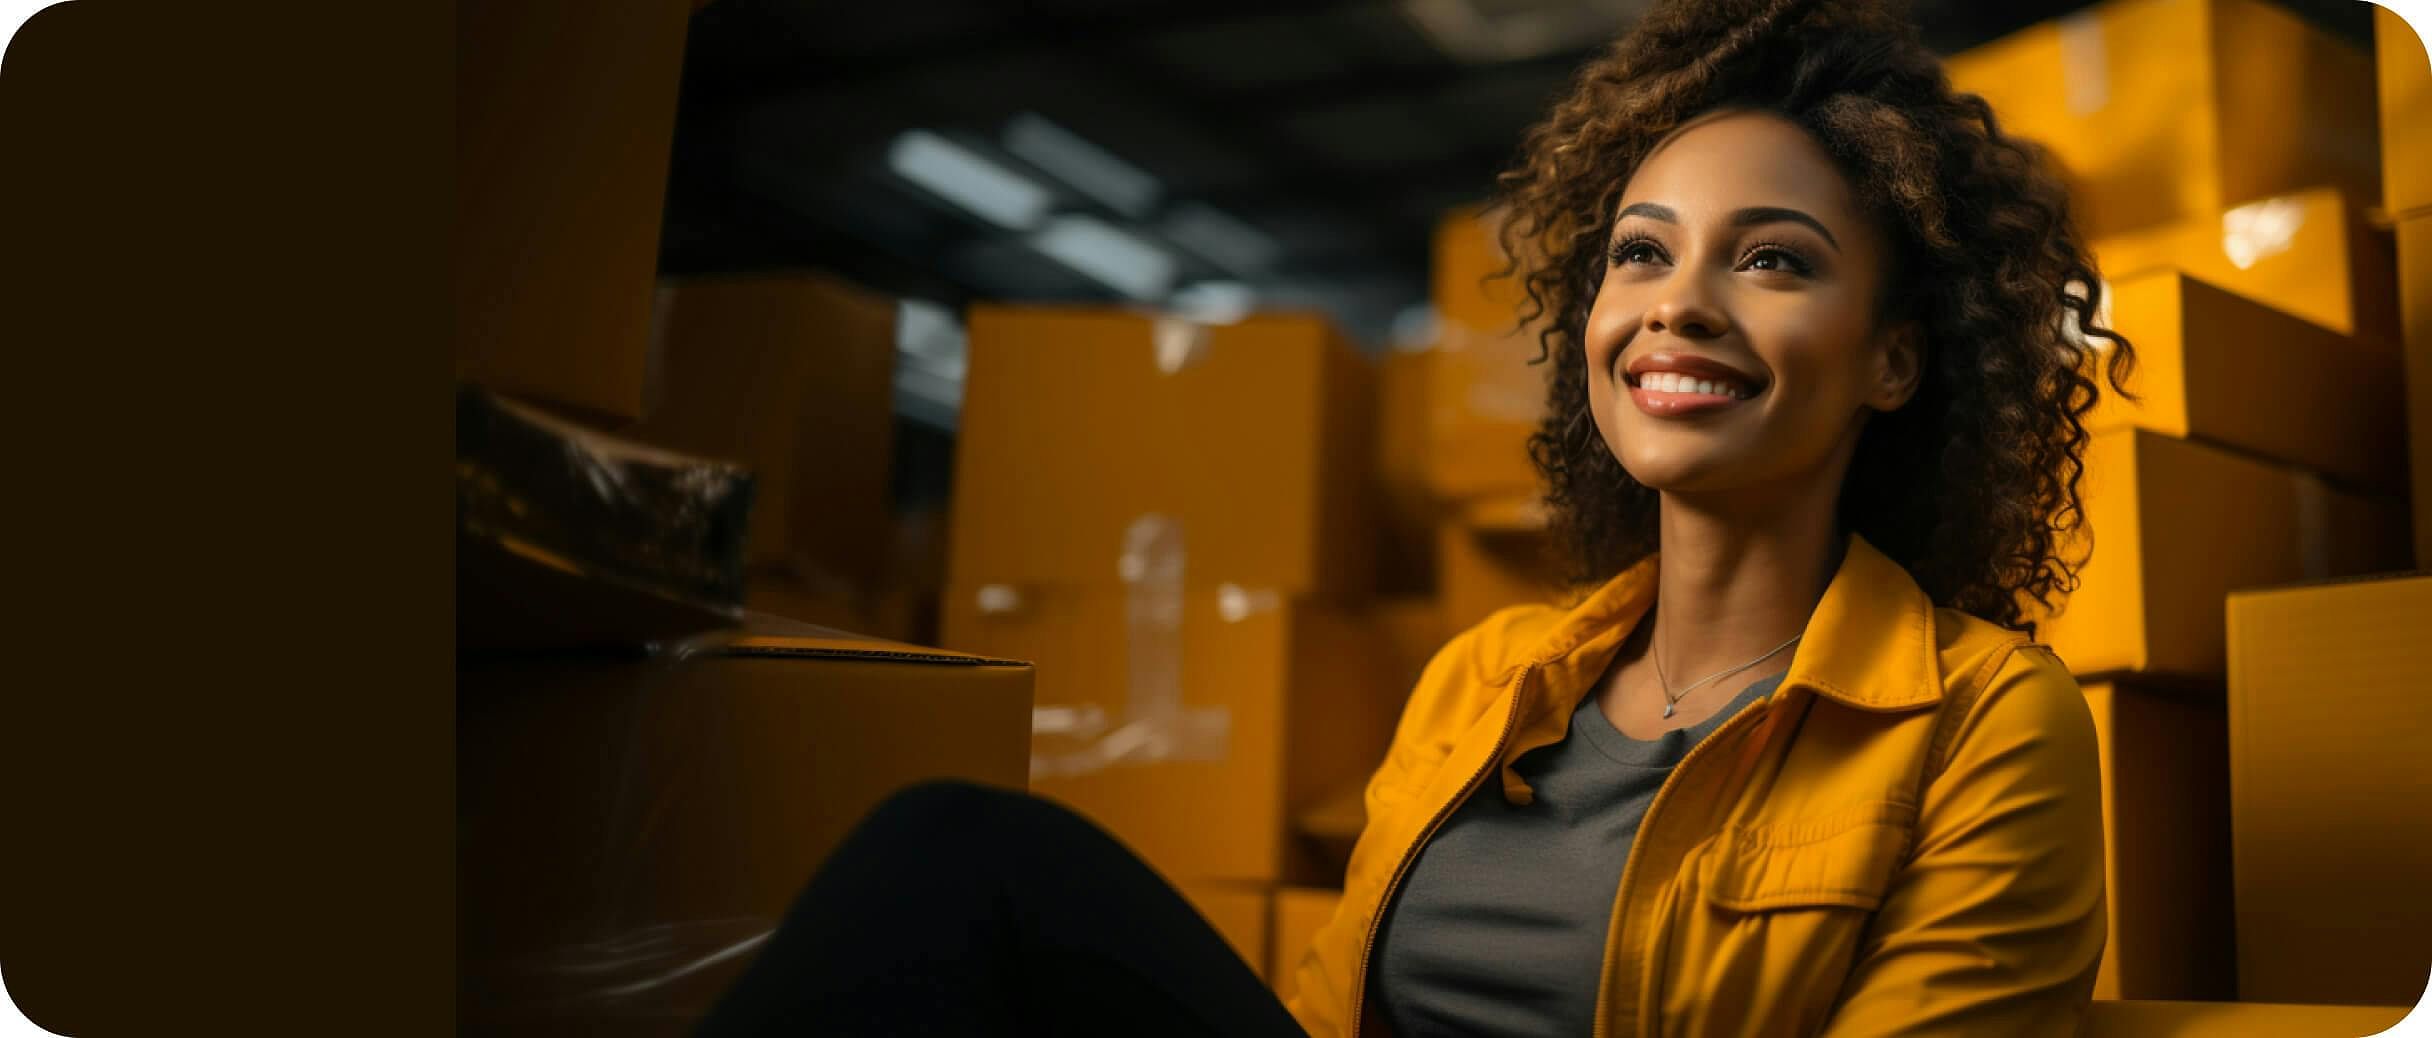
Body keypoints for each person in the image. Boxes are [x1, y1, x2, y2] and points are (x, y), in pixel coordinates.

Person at [700, 0, 2131, 1033]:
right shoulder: (1489, 679)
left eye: (1773, 260)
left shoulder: (1987, 724)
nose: (1677, 302)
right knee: (959, 859)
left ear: (1896, 357)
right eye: (1642, 253)